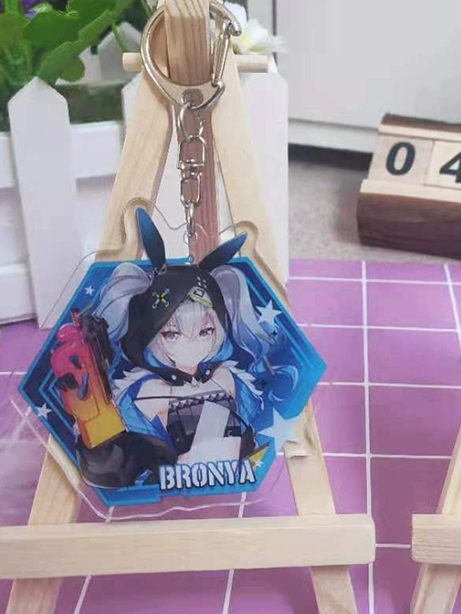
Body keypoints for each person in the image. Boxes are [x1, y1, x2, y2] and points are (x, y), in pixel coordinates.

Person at [57, 209, 298, 489]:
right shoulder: (142, 395)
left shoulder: (230, 380)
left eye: (205, 331)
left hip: (230, 484)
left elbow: (257, 439)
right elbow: (114, 470)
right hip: (166, 492)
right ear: (149, 336)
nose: (191, 344)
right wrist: (93, 421)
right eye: (171, 334)